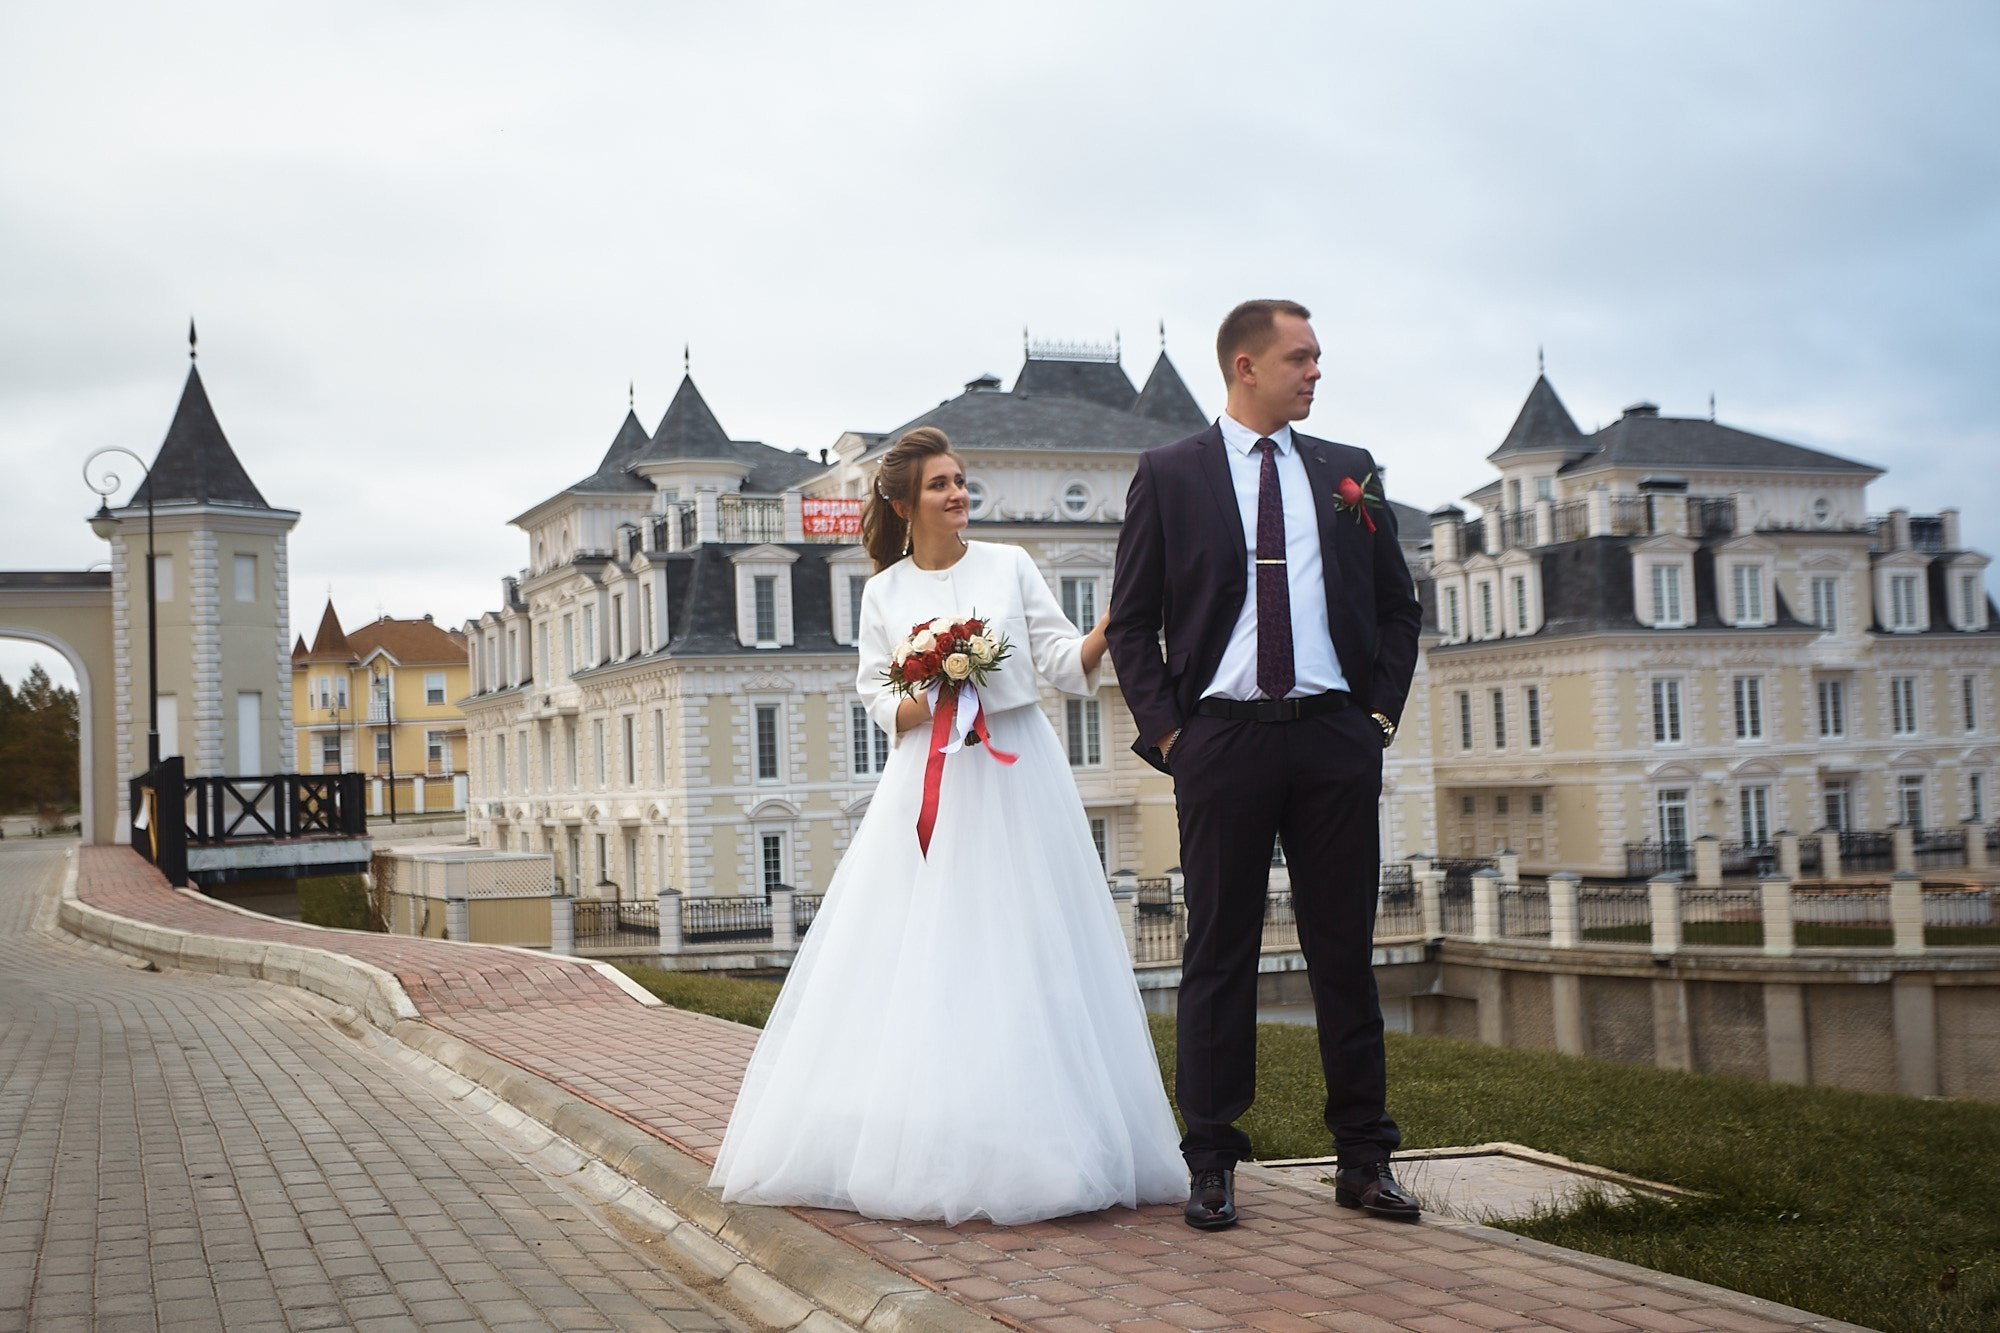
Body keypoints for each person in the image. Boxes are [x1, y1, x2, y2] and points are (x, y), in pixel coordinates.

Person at [709, 426, 1187, 1225]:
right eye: (940, 484)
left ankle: (1044, 1138)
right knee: (923, 951)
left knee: (1024, 945)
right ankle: (933, 1136)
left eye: (962, 480)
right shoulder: (883, 593)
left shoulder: (1009, 565)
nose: (958, 493)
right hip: (928, 783)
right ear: (903, 503)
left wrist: (1117, 619)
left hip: (1015, 776)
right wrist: (931, 691)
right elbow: (875, 698)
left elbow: (1065, 665)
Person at [1107, 300, 1424, 1230]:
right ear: (1245, 366)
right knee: (1218, 955)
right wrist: (1174, 738)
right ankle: (1211, 1159)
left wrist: (1374, 718)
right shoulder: (1169, 474)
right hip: (1223, 743)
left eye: (1318, 357)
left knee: (1344, 956)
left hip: (1334, 738)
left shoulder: (1347, 472)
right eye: (1301, 358)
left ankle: (1363, 1158)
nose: (1315, 372)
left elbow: (1399, 608)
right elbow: (1132, 623)